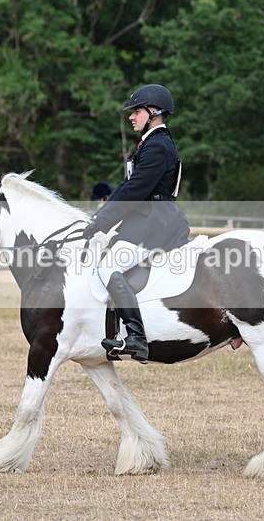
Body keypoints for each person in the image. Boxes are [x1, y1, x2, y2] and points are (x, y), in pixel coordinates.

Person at [82, 84, 189, 362]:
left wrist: (101, 222)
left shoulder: (158, 147)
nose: (131, 116)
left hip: (154, 223)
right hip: (148, 219)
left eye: (137, 111)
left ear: (155, 113)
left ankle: (136, 338)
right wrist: (98, 219)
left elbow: (134, 192)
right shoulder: (150, 144)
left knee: (109, 265)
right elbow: (124, 187)